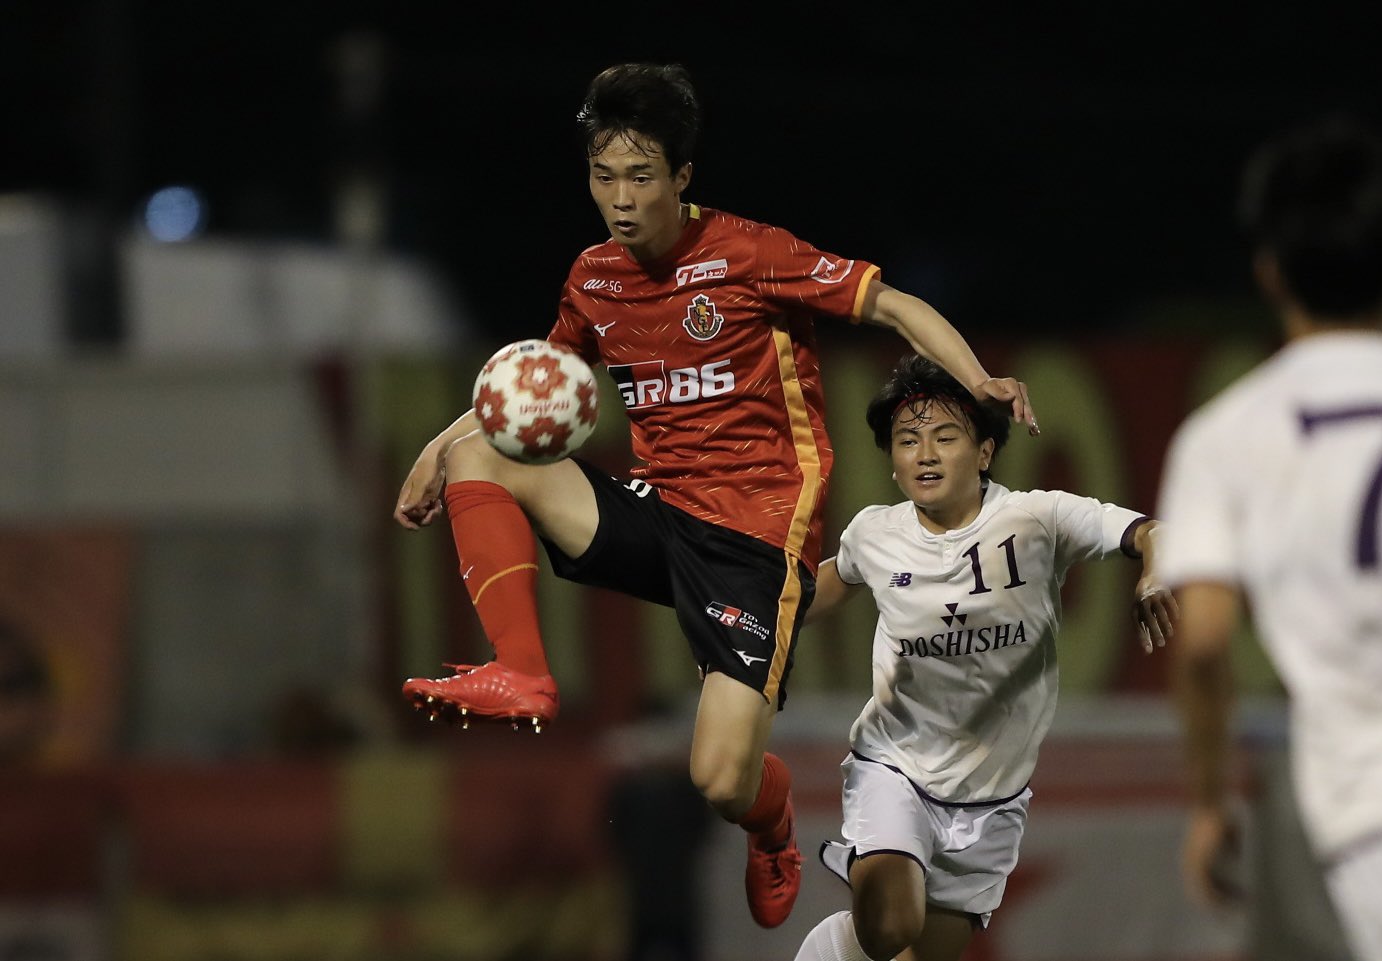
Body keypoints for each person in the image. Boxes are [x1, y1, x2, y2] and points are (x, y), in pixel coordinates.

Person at [391, 62, 1037, 930]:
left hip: (755, 541)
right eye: (603, 175)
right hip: (658, 514)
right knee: (484, 451)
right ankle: (523, 670)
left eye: (641, 176)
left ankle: (770, 826)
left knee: (718, 778)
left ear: (682, 177)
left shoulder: (751, 254)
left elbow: (896, 308)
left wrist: (978, 378)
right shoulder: (593, 277)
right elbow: (531, 390)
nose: (621, 198)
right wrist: (437, 453)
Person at [1155, 115, 1382, 961]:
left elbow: (1202, 641)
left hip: (1378, 821)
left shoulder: (1226, 434)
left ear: (1270, 271)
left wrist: (1209, 802)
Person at [790, 354, 1175, 961]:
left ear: (986, 452)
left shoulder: (1036, 518)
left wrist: (1154, 573)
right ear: (891, 461)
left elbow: (1149, 531)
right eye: (907, 440)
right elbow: (837, 578)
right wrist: (755, 625)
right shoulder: (875, 532)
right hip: (897, 768)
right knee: (890, 927)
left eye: (946, 437)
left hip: (993, 796)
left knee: (916, 952)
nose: (925, 454)